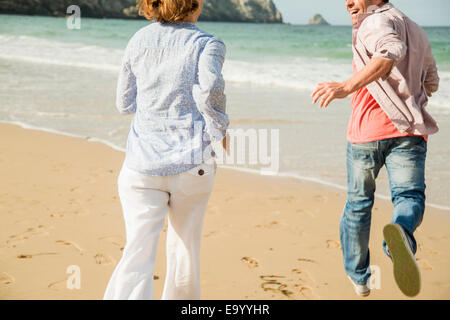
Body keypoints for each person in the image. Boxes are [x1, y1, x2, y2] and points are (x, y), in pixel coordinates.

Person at [311, 0, 439, 297]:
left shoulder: (375, 22)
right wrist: (410, 96)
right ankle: (401, 235)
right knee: (409, 197)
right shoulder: (418, 30)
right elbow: (431, 81)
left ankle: (359, 276)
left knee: (358, 203)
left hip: (367, 131)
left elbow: (390, 50)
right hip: (410, 132)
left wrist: (345, 87)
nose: (348, 2)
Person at [103, 0, 229, 300]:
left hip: (141, 164)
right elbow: (211, 89)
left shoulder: (138, 40)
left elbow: (124, 103)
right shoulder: (207, 43)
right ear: (195, 5)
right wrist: (220, 130)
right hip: (192, 163)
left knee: (137, 250)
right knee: (185, 248)